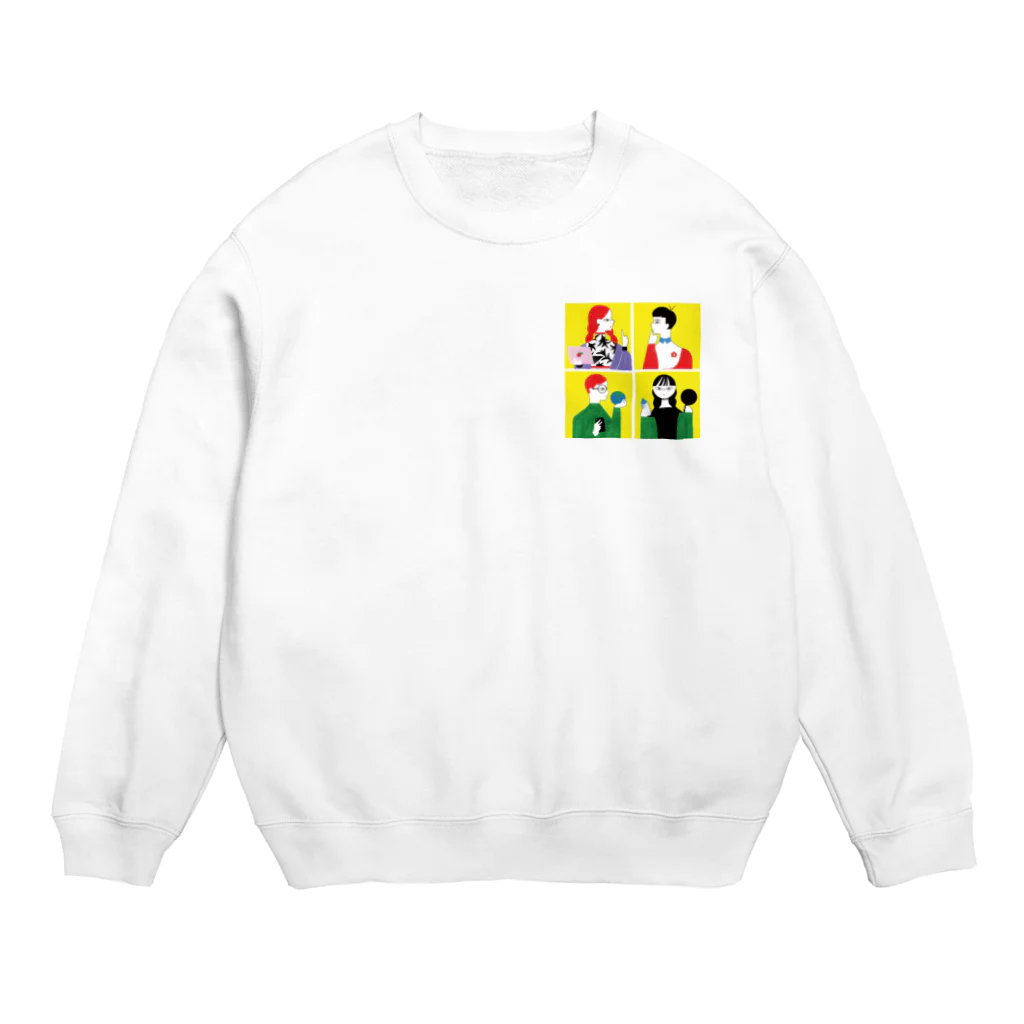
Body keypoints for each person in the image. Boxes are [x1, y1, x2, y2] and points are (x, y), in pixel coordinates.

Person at [572, 373, 627, 438]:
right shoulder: (579, 419)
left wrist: (617, 408)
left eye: (606, 389)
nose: (607, 392)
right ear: (591, 390)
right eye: (602, 389)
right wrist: (594, 433)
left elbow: (613, 434)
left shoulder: (600, 413)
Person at [642, 306, 693, 370]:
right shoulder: (651, 349)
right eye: (653, 321)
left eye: (657, 322)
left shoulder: (685, 354)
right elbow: (647, 371)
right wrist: (651, 343)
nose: (651, 324)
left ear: (667, 325)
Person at [582, 305, 632, 370]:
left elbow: (626, 368)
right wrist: (624, 348)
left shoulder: (617, 347)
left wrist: (624, 348)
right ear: (598, 321)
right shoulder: (583, 348)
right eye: (607, 320)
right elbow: (579, 370)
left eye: (611, 319)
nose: (612, 322)